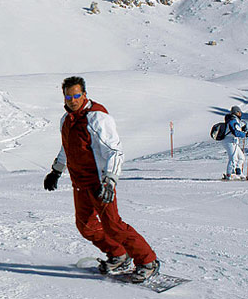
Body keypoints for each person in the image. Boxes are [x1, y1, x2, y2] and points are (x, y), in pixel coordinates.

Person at [43, 76, 160, 283]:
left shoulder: (97, 118)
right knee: (85, 226)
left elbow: (114, 151)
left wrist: (110, 180)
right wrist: (56, 171)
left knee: (113, 226)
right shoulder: (66, 120)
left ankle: (148, 262)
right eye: (69, 96)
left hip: (99, 183)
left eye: (77, 95)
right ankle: (118, 255)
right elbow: (67, 148)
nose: (73, 99)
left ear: (84, 94)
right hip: (79, 184)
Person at [221, 106, 248, 180]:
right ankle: (229, 174)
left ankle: (238, 172)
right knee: (233, 158)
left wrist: (244, 128)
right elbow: (235, 132)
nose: (240, 114)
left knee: (241, 158)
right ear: (236, 112)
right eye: (239, 112)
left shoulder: (235, 120)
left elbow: (239, 127)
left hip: (233, 141)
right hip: (229, 141)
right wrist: (245, 134)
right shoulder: (232, 120)